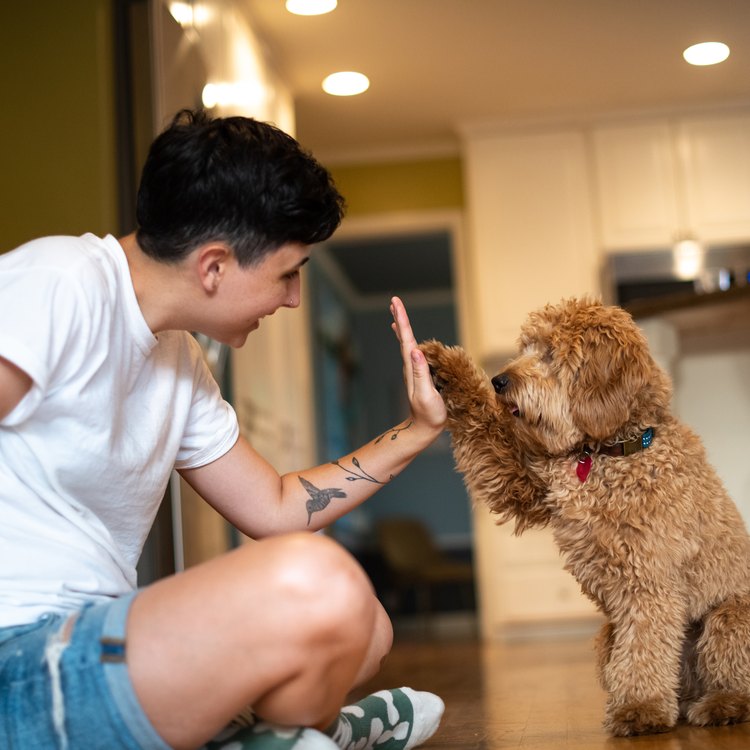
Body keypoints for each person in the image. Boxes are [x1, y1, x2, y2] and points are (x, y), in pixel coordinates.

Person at [0, 110, 447, 750]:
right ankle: (275, 736)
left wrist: (416, 429)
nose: (292, 299)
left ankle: (254, 737)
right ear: (214, 266)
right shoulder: (59, 283)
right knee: (321, 587)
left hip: (92, 638)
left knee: (364, 624)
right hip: (17, 659)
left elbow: (276, 509)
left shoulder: (177, 358)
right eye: (287, 273)